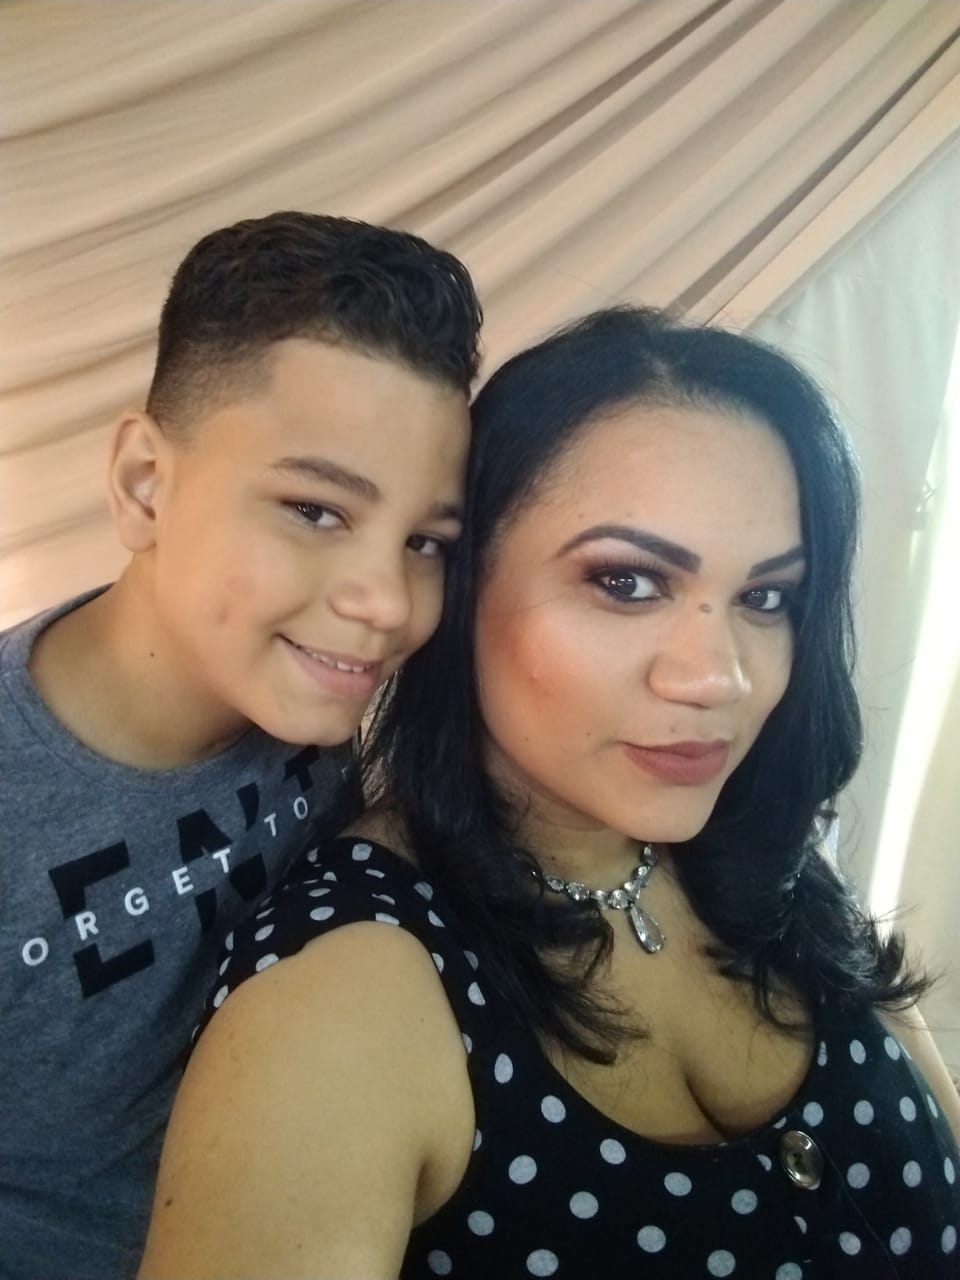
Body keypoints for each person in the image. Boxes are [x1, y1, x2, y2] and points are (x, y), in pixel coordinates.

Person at [139, 307, 960, 1280]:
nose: (720, 676)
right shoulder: (346, 995)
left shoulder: (777, 861)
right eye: (626, 582)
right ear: (463, 583)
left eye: (766, 597)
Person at [0, 210, 481, 1280]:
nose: (385, 601)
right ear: (145, 484)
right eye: (316, 510)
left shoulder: (319, 702)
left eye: (424, 541)